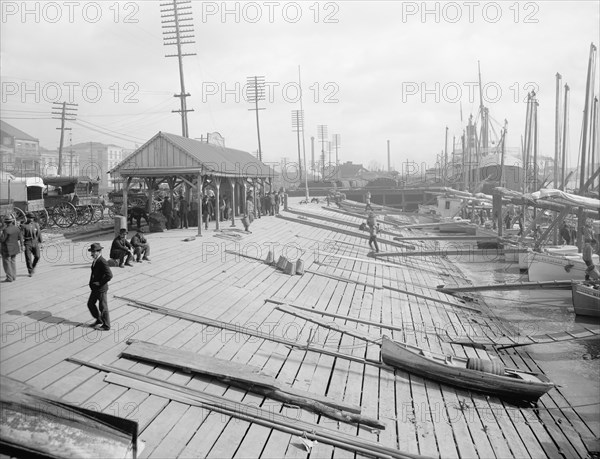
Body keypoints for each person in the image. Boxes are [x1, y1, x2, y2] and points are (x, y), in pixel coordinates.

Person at [87, 242, 113, 331]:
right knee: (90, 304)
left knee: (103, 307)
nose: (92, 254)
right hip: (95, 288)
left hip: (101, 288)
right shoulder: (96, 260)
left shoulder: (102, 261)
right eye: (91, 252)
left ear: (98, 252)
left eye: (93, 252)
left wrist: (100, 283)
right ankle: (99, 320)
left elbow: (109, 275)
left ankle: (106, 325)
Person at [1, 216, 23, 282]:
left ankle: (9, 278)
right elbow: (20, 237)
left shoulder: (5, 230)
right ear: (12, 221)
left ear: (5, 223)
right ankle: (13, 276)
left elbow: (2, 240)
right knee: (13, 262)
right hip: (15, 248)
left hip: (7, 249)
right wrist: (22, 245)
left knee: (7, 263)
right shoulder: (17, 228)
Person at [21, 212, 43, 277]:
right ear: (27, 218)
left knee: (37, 256)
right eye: (30, 218)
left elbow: (39, 234)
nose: (31, 219)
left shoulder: (36, 224)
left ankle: (33, 266)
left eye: (32, 218)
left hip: (35, 241)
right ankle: (30, 271)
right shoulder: (24, 226)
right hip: (27, 242)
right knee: (28, 258)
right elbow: (21, 236)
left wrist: (41, 242)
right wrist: (22, 245)